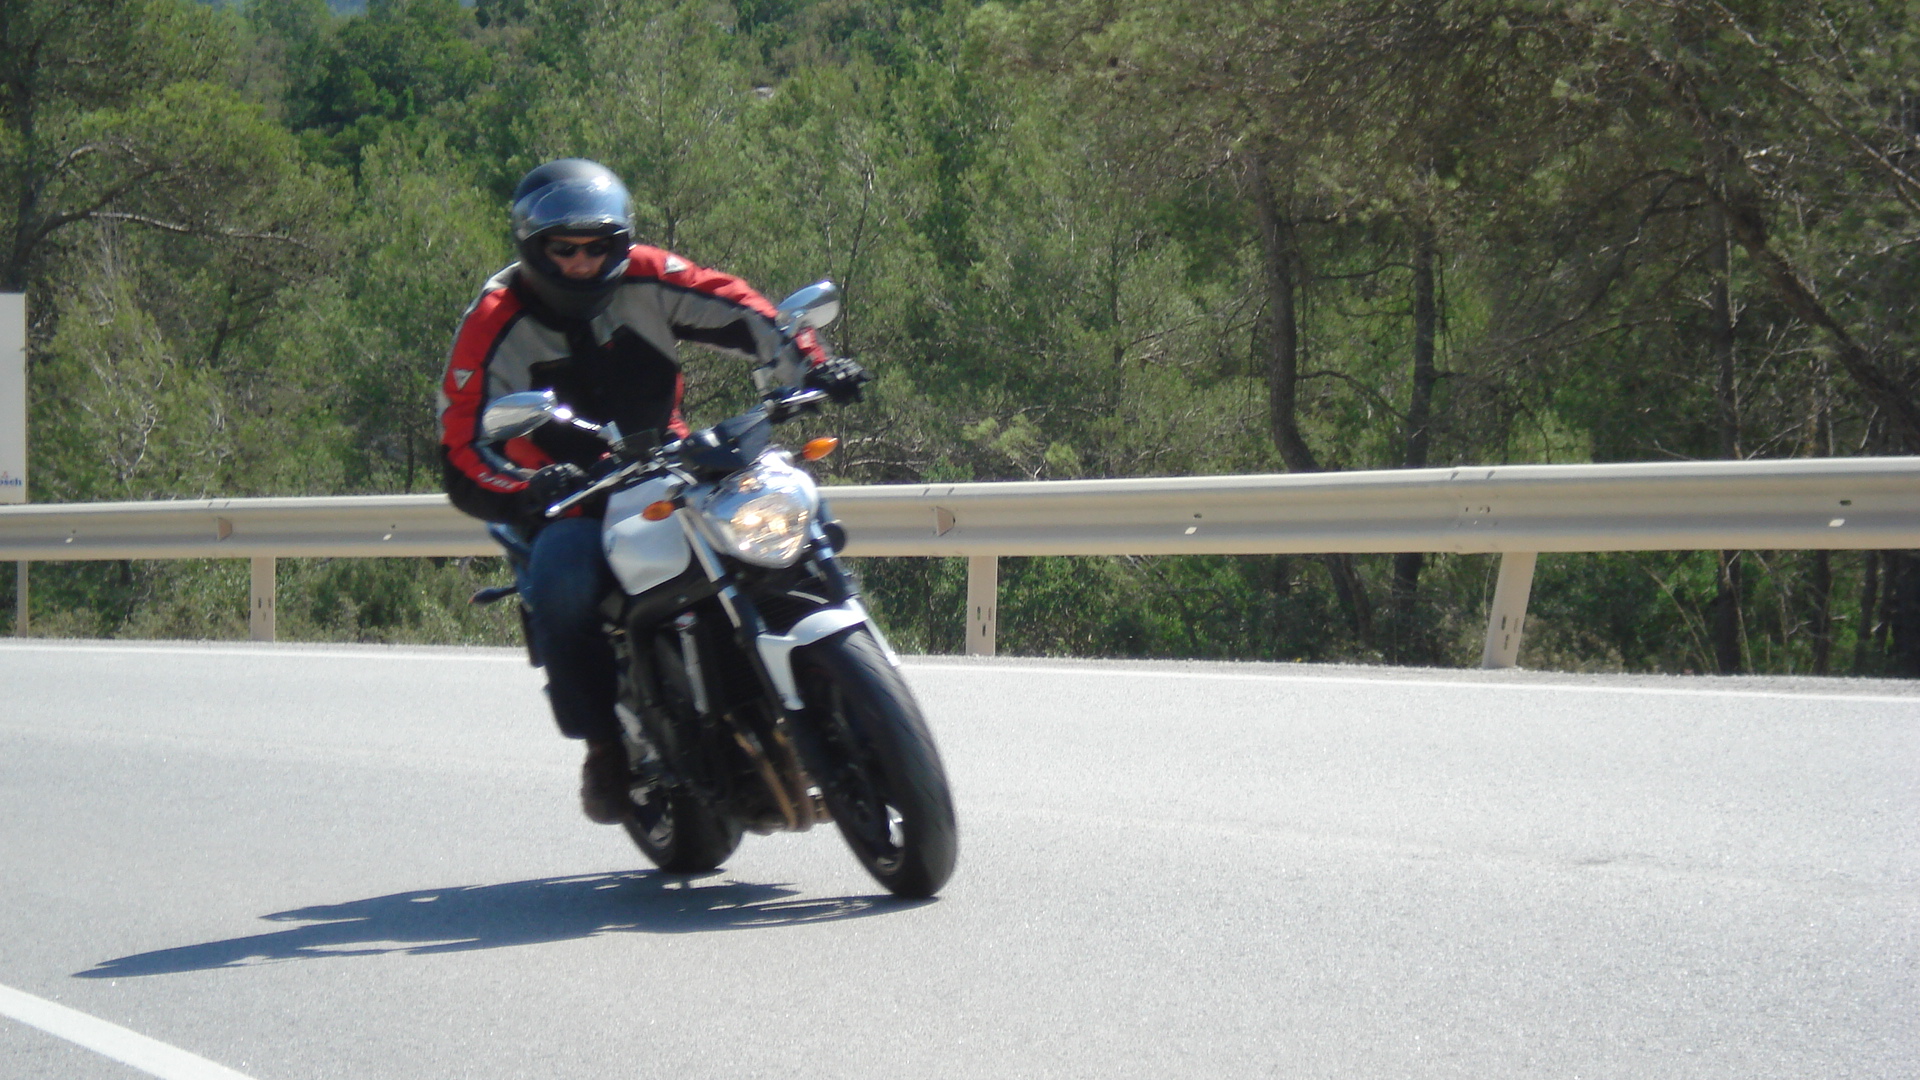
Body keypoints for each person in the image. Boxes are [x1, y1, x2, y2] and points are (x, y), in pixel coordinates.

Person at [436, 158, 868, 823]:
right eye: (564, 249)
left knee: (788, 495)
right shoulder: (494, 321)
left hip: (667, 462)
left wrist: (814, 365)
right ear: (532, 247)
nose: (583, 262)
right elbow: (463, 445)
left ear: (620, 241)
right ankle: (605, 747)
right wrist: (524, 487)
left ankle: (839, 661)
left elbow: (740, 306)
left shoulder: (646, 272)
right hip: (568, 496)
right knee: (561, 578)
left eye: (597, 247)